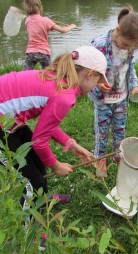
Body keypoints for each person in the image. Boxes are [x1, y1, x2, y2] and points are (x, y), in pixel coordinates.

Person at [0, 46, 109, 205]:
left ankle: (43, 200)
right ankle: (26, 226)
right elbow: (40, 140)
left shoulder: (59, 80)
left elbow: (46, 125)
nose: (96, 86)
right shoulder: (64, 96)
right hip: (3, 126)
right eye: (97, 80)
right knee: (30, 181)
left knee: (36, 160)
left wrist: (70, 144)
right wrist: (56, 165)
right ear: (89, 75)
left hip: (11, 122)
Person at [88, 6, 138, 177]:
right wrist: (97, 82)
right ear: (118, 30)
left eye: (132, 48)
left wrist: (134, 85)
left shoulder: (128, 48)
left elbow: (131, 68)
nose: (128, 50)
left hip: (121, 99)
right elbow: (86, 71)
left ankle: (117, 155)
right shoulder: (99, 45)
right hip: (103, 101)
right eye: (126, 45)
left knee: (120, 129)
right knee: (102, 132)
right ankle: (100, 160)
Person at [23, 0, 77, 70]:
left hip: (30, 52)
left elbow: (37, 27)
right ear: (39, 7)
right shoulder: (45, 20)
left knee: (25, 73)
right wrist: (72, 26)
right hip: (44, 52)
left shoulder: (27, 20)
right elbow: (63, 30)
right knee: (47, 74)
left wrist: (48, 22)